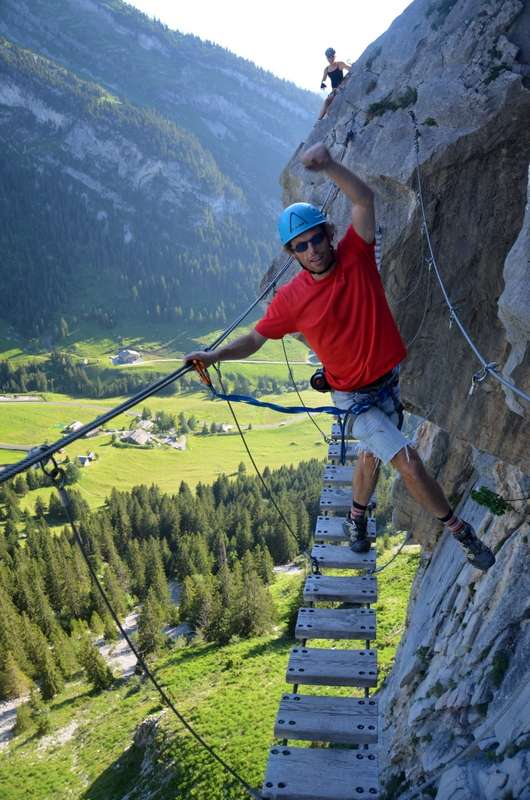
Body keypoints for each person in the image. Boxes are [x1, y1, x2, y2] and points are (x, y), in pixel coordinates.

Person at [184, 142, 495, 572]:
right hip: (353, 397)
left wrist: (329, 165)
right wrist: (215, 355)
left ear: (329, 234)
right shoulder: (290, 300)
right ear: (291, 255)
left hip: (388, 382)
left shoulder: (357, 253)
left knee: (370, 456)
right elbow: (256, 339)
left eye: (315, 239)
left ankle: (355, 519)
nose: (311, 250)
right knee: (406, 460)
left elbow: (363, 199)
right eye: (299, 247)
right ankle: (461, 531)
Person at [318, 47, 350, 120]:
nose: (331, 58)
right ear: (327, 58)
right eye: (329, 57)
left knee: (329, 106)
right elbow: (324, 79)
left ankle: (321, 119)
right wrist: (322, 84)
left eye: (332, 56)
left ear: (334, 56)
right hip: (334, 90)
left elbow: (348, 68)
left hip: (341, 87)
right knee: (326, 101)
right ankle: (319, 119)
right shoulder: (326, 69)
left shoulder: (340, 64)